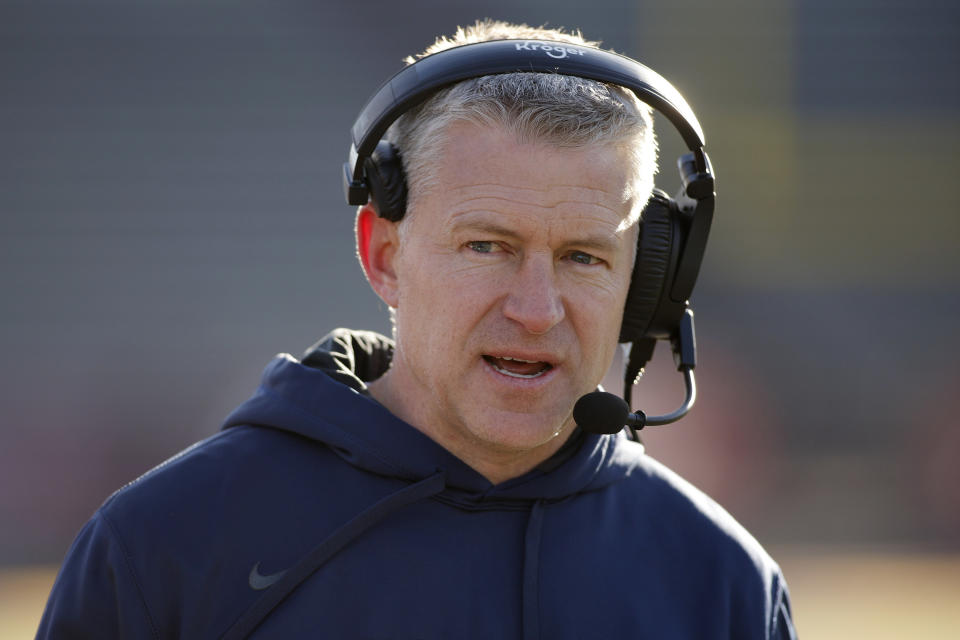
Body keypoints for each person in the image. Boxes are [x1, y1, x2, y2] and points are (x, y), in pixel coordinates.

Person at [38, 20, 796, 639]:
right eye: (488, 246)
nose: (537, 309)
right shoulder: (165, 548)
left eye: (582, 257)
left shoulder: (725, 584)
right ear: (384, 254)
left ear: (646, 283)